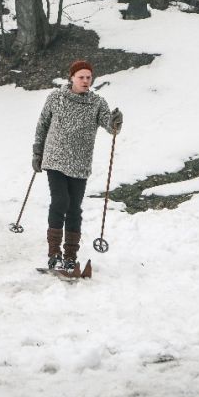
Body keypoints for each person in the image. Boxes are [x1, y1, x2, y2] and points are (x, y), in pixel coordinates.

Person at [31, 59, 123, 271]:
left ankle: (70, 255)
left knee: (74, 208)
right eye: (81, 77)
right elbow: (42, 125)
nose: (85, 81)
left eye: (88, 77)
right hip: (55, 158)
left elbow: (110, 126)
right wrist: (37, 153)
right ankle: (54, 252)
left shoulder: (97, 103)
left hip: (80, 163)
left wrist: (115, 122)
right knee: (60, 201)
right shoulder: (56, 98)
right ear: (71, 77)